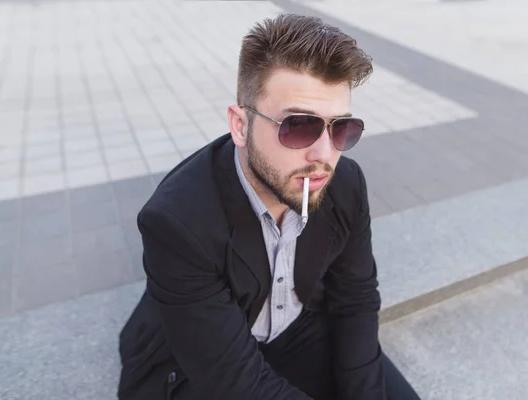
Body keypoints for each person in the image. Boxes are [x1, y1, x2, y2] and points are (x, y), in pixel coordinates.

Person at [117, 13, 421, 400]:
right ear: (240, 125)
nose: (324, 155)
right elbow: (230, 381)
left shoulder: (344, 184)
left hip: (295, 330)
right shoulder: (178, 221)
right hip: (193, 361)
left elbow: (355, 298)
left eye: (341, 128)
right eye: (298, 126)